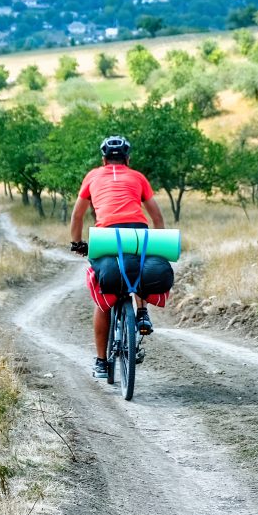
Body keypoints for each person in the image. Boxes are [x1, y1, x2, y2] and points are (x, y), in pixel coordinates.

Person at [69, 136, 168, 379]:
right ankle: (142, 313)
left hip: (106, 236)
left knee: (105, 297)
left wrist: (77, 243)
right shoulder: (138, 177)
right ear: (128, 158)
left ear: (103, 159)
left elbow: (77, 215)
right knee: (139, 266)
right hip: (137, 231)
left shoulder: (92, 176)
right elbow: (156, 216)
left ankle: (101, 362)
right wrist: (158, 242)